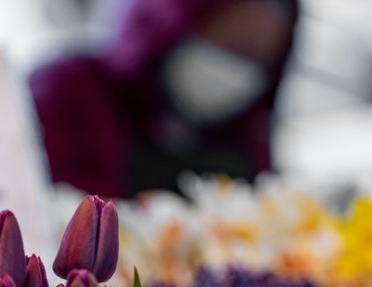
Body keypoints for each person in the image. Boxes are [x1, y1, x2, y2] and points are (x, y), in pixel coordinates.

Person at [30, 0, 299, 199]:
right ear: (178, 19)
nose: (240, 73)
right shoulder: (66, 95)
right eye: (234, 46)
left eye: (261, 62)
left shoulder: (245, 136)